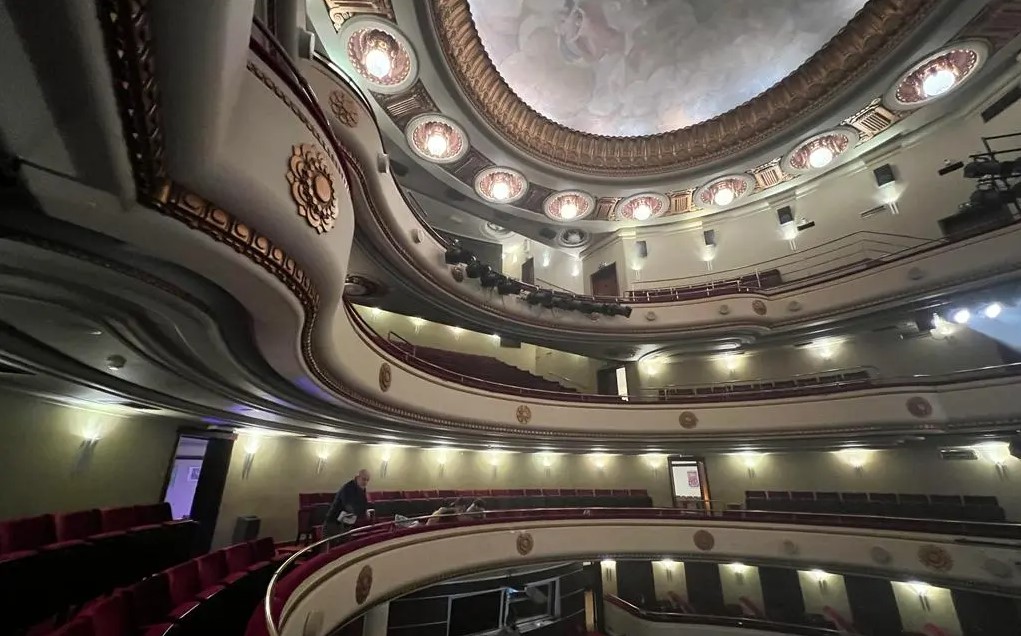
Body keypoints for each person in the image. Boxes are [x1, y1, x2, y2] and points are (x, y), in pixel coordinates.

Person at [323, 469, 370, 540]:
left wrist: (365, 510)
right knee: (333, 548)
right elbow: (349, 507)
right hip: (334, 524)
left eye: (367, 480)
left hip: (346, 524)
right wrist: (363, 512)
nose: (365, 482)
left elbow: (364, 503)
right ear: (357, 477)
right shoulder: (348, 488)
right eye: (363, 479)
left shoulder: (361, 489)